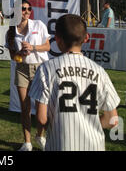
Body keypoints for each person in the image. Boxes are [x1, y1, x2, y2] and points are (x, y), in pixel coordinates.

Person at [29, 14, 120, 151]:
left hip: (60, 144)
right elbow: (112, 119)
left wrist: (40, 134)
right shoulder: (99, 71)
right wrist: (88, 125)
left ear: (57, 39)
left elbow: (42, 119)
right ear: (86, 38)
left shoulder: (46, 69)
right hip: (94, 145)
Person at [5, 0, 51, 151]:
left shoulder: (38, 24)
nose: (26, 11)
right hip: (21, 69)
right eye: (23, 9)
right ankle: (27, 143)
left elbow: (47, 46)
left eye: (28, 9)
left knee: (40, 109)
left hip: (40, 69)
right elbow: (13, 56)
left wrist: (33, 48)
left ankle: (40, 136)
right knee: (24, 108)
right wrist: (21, 53)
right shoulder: (10, 32)